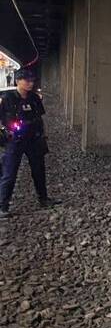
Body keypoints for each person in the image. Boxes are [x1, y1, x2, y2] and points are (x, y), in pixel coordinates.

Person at [0, 68, 59, 218]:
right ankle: (3, 206)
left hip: (34, 139)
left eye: (32, 80)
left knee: (39, 171)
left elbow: (40, 118)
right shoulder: (7, 98)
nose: (30, 83)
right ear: (17, 81)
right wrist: (5, 132)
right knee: (9, 173)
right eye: (27, 80)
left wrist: (43, 136)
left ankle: (43, 199)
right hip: (14, 141)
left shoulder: (34, 98)